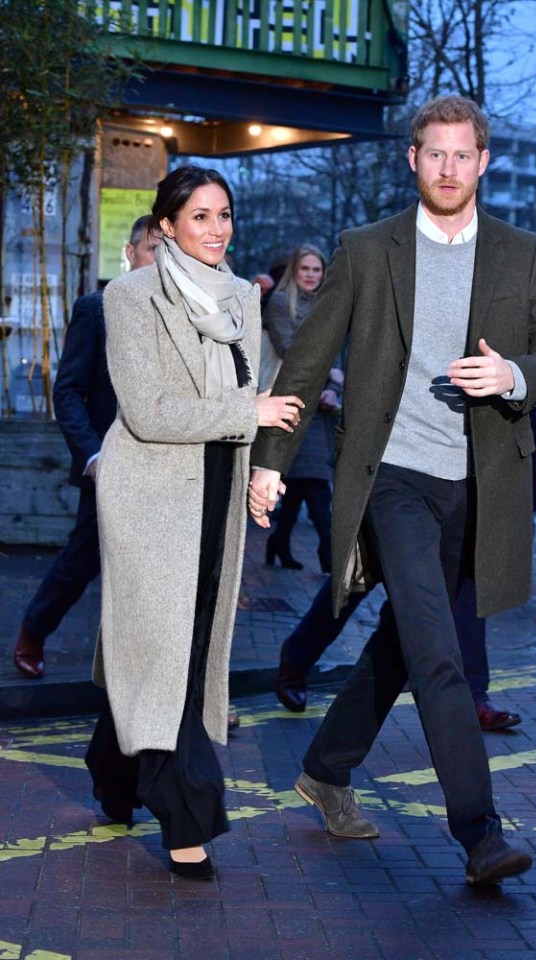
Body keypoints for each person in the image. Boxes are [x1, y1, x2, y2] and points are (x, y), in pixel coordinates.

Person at [249, 95, 536, 885]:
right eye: (434, 153)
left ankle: (327, 766)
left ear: (482, 163)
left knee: (403, 641)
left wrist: (514, 376)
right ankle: (480, 836)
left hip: (479, 487)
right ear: (413, 158)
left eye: (462, 155)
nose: (448, 168)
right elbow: (304, 363)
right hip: (393, 478)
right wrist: (270, 460)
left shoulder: (523, 251)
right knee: (440, 654)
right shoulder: (367, 250)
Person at [84, 165, 303, 881]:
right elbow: (148, 412)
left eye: (225, 215)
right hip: (147, 494)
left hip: (215, 488)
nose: (216, 230)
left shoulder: (243, 298)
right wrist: (251, 415)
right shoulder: (130, 296)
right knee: (165, 647)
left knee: (182, 638)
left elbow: (265, 393)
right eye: (200, 217)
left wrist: (261, 475)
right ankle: (189, 819)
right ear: (168, 225)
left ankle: (112, 769)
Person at [12, 216, 161, 680]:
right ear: (132, 253)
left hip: (167, 465)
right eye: (153, 249)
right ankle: (33, 632)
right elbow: (69, 392)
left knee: (163, 578)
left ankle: (179, 688)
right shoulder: (96, 308)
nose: (161, 260)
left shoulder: (185, 317)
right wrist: (93, 455)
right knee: (83, 557)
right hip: (111, 464)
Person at [275, 575, 521, 731]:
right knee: (352, 581)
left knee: (465, 580)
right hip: (387, 497)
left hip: (456, 499)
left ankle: (475, 696)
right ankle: (297, 655)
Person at [262, 244, 342, 573]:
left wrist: (334, 390)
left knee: (302, 483)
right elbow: (290, 349)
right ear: (294, 270)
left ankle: (278, 542)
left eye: (316, 270)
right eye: (305, 268)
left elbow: (335, 355)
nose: (311, 275)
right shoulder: (281, 303)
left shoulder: (328, 306)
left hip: (318, 410)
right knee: (314, 483)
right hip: (288, 402)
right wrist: (329, 378)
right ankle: (330, 553)